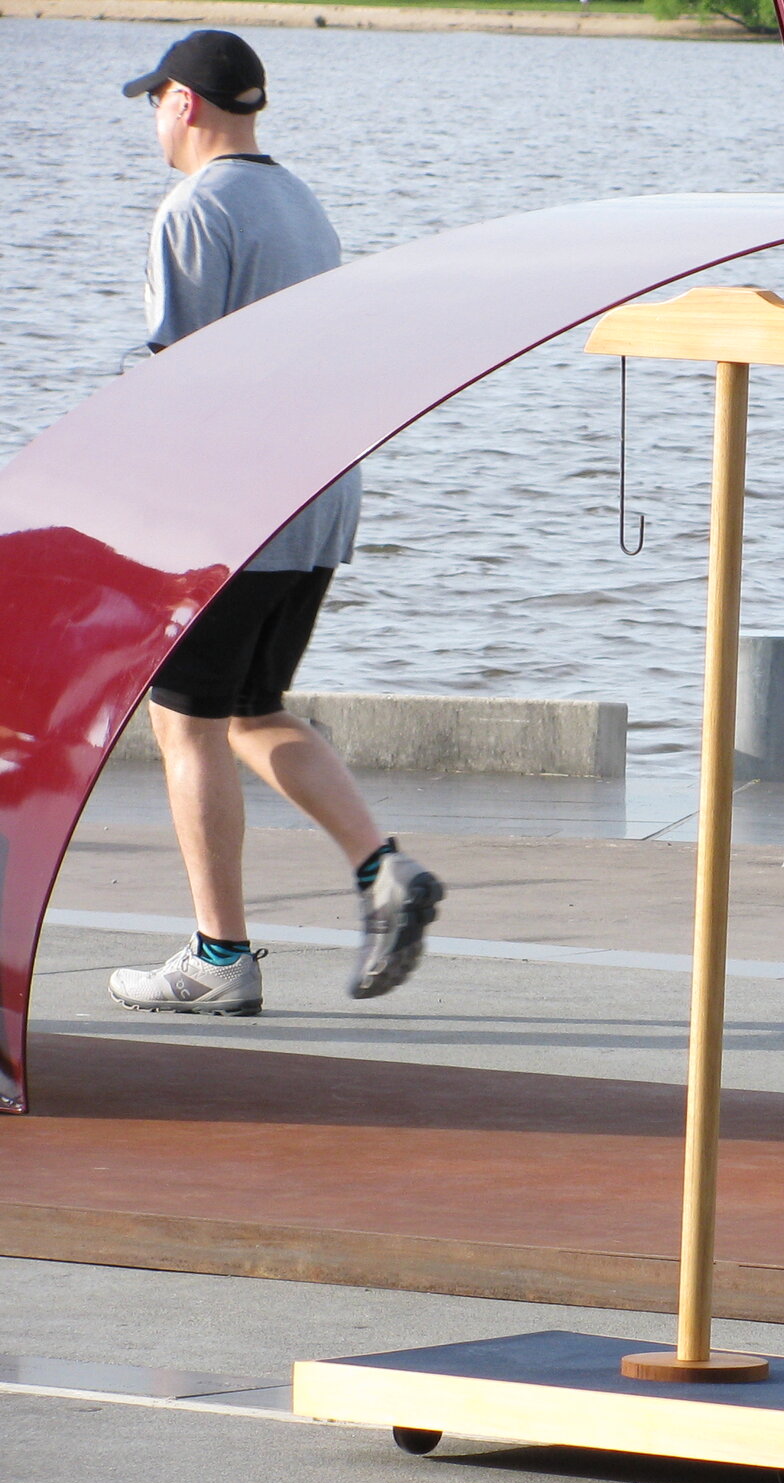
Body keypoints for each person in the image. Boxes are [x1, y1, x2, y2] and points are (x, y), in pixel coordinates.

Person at [107, 32, 441, 1021]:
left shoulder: (195, 209)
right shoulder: (299, 201)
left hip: (235, 507)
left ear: (184, 102)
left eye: (154, 102)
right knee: (250, 711)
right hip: (321, 497)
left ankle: (221, 957)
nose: (153, 122)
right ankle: (383, 870)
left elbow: (177, 378)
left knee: (186, 724)